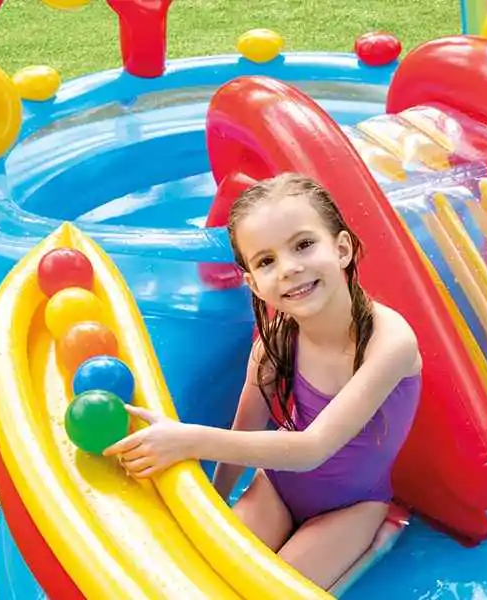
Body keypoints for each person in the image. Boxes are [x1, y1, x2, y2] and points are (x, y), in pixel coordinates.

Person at [103, 172, 422, 590]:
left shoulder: (390, 341)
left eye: (303, 245)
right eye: (266, 261)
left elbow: (313, 448)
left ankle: (375, 544)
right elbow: (244, 431)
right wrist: (215, 506)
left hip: (353, 506)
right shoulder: (275, 343)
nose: (289, 268)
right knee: (204, 578)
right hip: (278, 487)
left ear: (342, 248)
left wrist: (187, 440)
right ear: (253, 283)